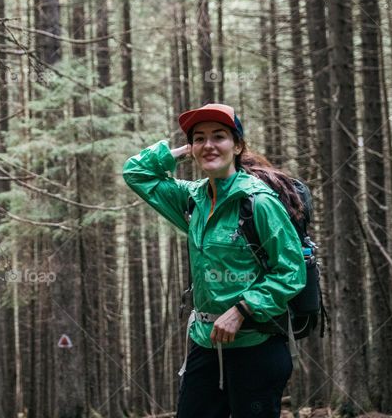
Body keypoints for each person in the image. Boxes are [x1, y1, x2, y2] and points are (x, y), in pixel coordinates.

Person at [123, 103, 306, 418]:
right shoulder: (192, 198)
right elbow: (136, 172)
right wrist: (182, 151)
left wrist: (241, 309)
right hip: (205, 347)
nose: (208, 144)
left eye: (219, 136)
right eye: (200, 138)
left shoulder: (258, 202)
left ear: (237, 146)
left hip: (256, 348)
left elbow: (290, 271)